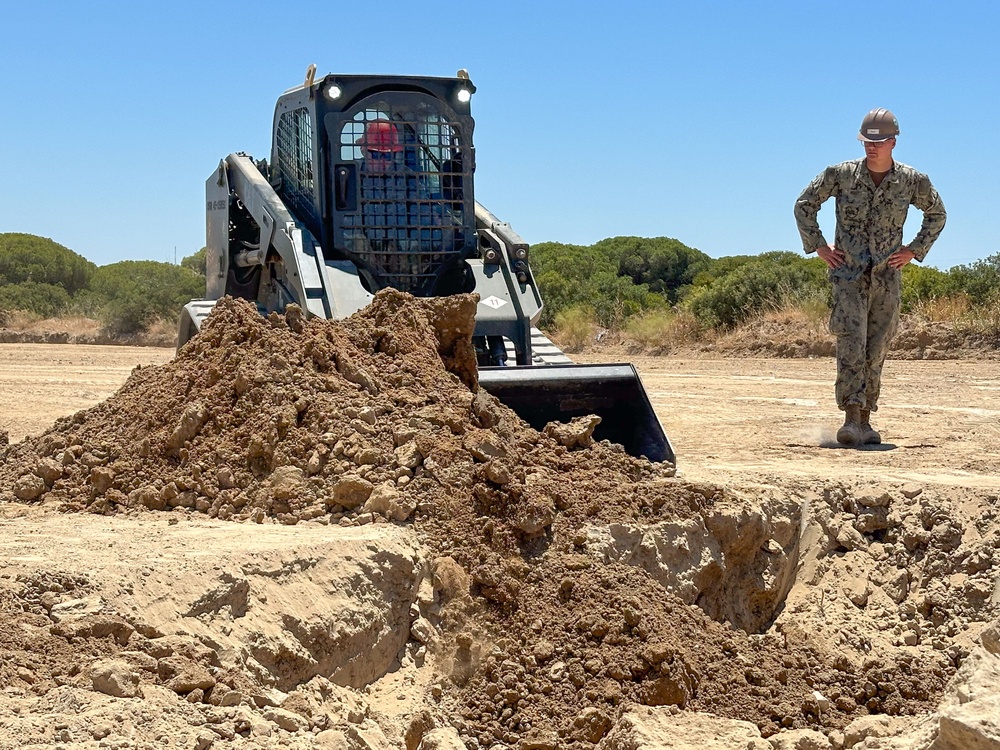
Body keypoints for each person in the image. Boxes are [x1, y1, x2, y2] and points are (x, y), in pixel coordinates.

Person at [794, 108, 946, 446]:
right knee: (851, 343)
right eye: (867, 142)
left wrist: (914, 250)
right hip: (848, 276)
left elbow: (937, 214)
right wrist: (818, 246)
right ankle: (850, 417)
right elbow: (804, 205)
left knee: (876, 347)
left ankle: (866, 419)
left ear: (893, 141)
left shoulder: (912, 181)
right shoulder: (841, 174)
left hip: (887, 278)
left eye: (878, 142)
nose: (872, 148)